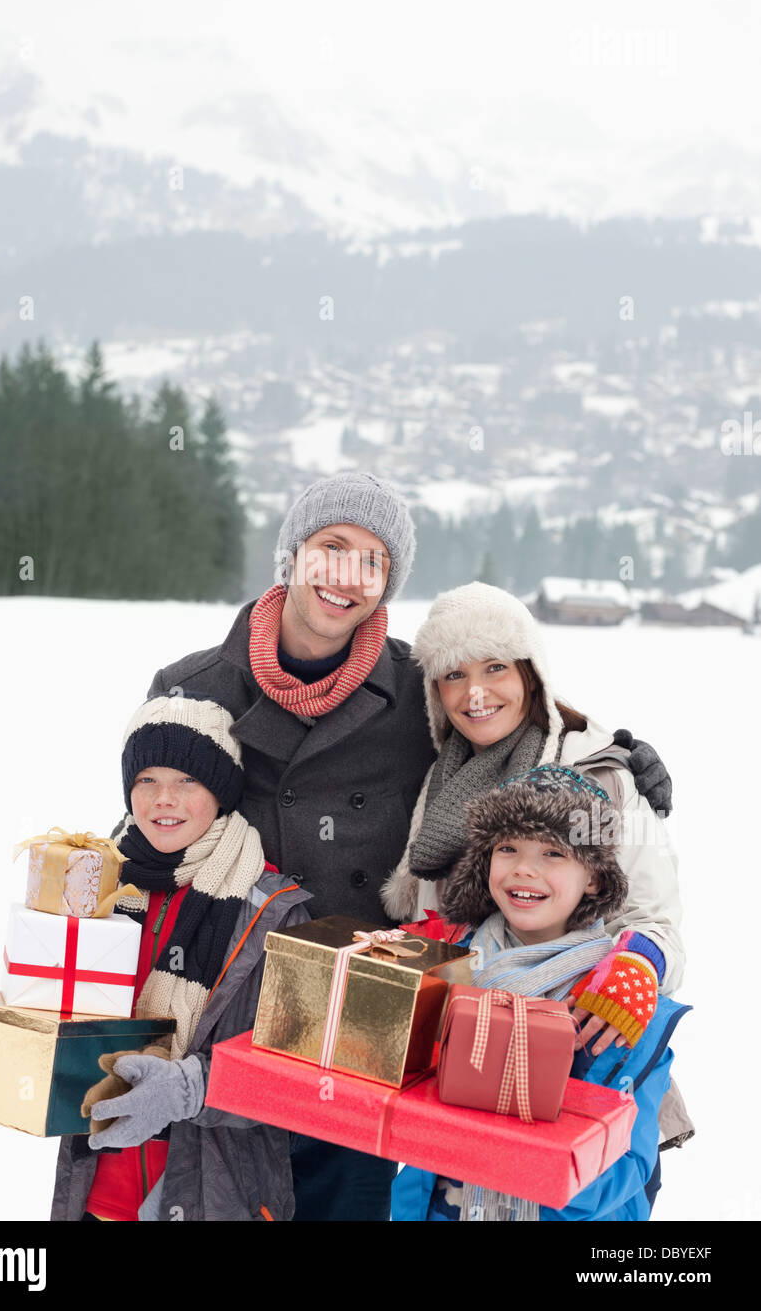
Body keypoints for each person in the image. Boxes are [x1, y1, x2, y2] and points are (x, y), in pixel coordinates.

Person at [136, 472, 676, 1220]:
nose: (347, 575)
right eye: (332, 547)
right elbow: (153, 820)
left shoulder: (409, 690)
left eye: (373, 560)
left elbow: (515, 721)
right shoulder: (196, 685)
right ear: (292, 555)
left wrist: (618, 758)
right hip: (234, 1008)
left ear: (388, 585)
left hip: (377, 1025)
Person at [381, 581, 686, 1055]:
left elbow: (657, 920)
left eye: (495, 667)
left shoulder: (599, 776)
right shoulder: (441, 776)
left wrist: (637, 966)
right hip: (462, 1048)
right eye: (454, 674)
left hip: (580, 1044)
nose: (475, 693)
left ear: (530, 674)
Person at [49, 691, 311, 1222]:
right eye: (146, 779)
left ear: (220, 791)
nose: (163, 799)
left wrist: (189, 1089)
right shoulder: (95, 885)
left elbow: (294, 1078)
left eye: (186, 781)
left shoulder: (274, 913)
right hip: (96, 1186)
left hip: (214, 1194)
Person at [391, 765, 691, 1222]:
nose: (524, 869)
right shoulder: (449, 969)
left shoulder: (618, 1003)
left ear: (593, 878)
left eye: (553, 852)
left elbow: (626, 1164)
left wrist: (491, 1154)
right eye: (507, 848)